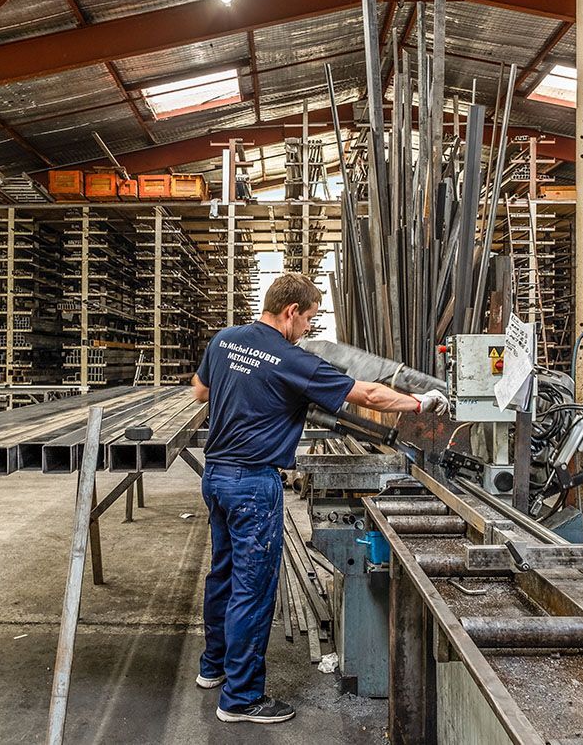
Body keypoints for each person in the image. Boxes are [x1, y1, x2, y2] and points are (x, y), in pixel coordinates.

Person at [191, 272, 448, 724]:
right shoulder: (293, 359)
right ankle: (241, 699)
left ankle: (213, 668)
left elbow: (201, 390)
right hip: (253, 484)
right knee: (253, 591)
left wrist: (253, 395)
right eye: (308, 320)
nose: (308, 330)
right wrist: (420, 403)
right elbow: (366, 392)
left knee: (225, 575)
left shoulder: (225, 339)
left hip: (216, 476)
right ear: (291, 312)